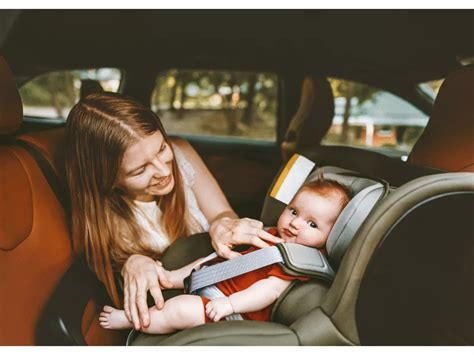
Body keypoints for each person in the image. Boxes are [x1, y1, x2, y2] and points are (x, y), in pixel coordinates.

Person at [64, 92, 281, 331]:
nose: (163, 171)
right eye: (140, 170)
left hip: (233, 293)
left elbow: (221, 213)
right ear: (108, 179)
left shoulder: (180, 152)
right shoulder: (104, 215)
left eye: (161, 149)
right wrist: (132, 261)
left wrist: (222, 225)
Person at [98, 177, 351, 333]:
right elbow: (222, 260)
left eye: (312, 224)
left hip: (234, 310)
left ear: (332, 236)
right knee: (209, 259)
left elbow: (268, 290)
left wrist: (230, 304)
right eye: (294, 211)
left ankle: (133, 321)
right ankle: (172, 277)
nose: (295, 224)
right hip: (216, 283)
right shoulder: (274, 233)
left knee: (178, 310)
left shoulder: (298, 260)